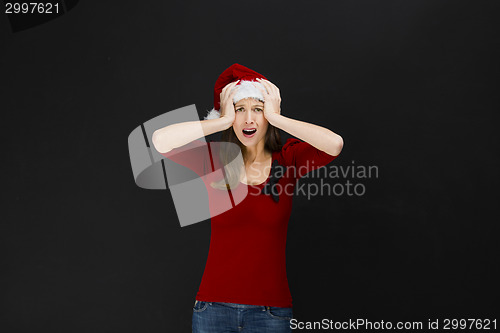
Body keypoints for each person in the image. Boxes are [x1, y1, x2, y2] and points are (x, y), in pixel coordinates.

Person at [152, 63, 343, 333]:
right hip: (212, 310)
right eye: (240, 109)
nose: (248, 120)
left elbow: (334, 144)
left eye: (258, 109)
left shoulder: (288, 160)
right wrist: (218, 120)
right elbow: (160, 140)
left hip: (272, 313)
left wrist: (277, 118)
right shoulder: (214, 160)